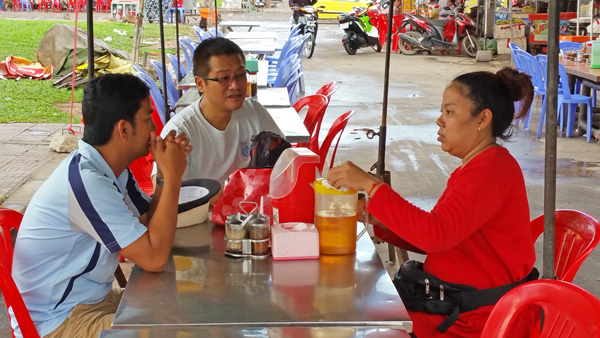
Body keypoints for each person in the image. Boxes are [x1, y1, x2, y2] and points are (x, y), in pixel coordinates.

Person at [326, 67, 537, 338]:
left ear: (482, 118)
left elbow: (435, 236)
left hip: (474, 320)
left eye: (450, 112)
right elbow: (443, 237)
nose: (440, 121)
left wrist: (372, 186)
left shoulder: (490, 170)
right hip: (451, 304)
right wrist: (379, 218)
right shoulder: (478, 166)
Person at [11, 74, 192, 338]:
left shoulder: (110, 169)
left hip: (92, 300)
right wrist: (174, 176)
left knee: (182, 308)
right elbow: (153, 257)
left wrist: (165, 174)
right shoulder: (88, 182)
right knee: (163, 330)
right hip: (57, 323)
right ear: (124, 129)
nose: (155, 128)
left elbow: (147, 224)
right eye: (147, 118)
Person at [152, 37, 281, 187]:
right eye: (223, 78)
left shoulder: (254, 112)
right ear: (200, 84)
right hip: (200, 210)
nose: (235, 85)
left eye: (240, 75)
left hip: (249, 208)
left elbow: (285, 160)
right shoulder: (180, 131)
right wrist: (229, 196)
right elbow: (160, 188)